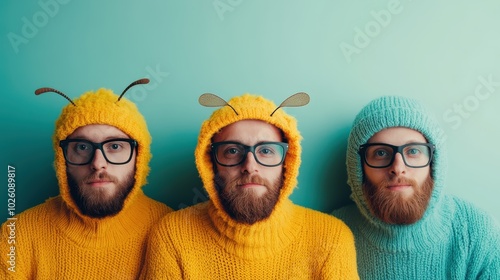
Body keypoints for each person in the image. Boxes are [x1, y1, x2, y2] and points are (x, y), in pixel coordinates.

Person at [140, 93, 359, 279]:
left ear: (287, 162)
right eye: (233, 151)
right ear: (211, 164)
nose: (250, 166)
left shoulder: (331, 239)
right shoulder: (172, 236)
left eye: (266, 151)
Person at [1, 79, 172, 279]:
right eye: (82, 147)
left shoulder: (168, 230)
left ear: (139, 156)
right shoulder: (16, 237)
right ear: (62, 158)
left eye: (115, 146)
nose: (98, 163)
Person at [333, 95, 500, 279]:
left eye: (413, 151)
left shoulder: (477, 234)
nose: (398, 168)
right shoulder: (332, 236)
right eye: (380, 153)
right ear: (358, 167)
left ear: (434, 162)